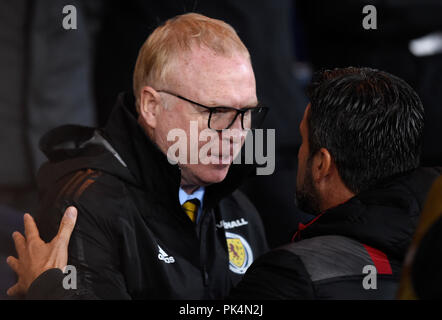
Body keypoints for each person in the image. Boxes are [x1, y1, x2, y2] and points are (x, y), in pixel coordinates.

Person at [7, 13, 268, 299]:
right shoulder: (85, 208)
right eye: (216, 113)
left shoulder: (237, 207)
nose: (236, 133)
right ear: (151, 107)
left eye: (246, 113)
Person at [229, 67, 442, 299]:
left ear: (322, 165)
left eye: (302, 142)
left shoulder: (287, 278)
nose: (299, 155)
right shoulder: (431, 258)